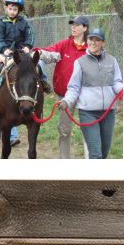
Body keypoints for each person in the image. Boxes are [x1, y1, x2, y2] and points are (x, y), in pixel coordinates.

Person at [58, 27, 123, 159]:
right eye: (91, 39)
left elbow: (116, 82)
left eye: (97, 40)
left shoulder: (112, 61)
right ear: (87, 40)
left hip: (108, 113)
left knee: (104, 153)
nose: (93, 43)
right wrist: (66, 101)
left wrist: (122, 89)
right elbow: (74, 88)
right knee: (95, 153)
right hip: (88, 113)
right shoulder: (80, 63)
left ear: (103, 43)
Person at [33, 15, 90, 159]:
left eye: (77, 25)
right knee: (64, 130)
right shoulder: (64, 45)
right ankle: (64, 162)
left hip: (87, 96)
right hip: (65, 95)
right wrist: (39, 53)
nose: (74, 27)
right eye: (73, 24)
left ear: (85, 28)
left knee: (89, 130)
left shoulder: (91, 47)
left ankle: (92, 161)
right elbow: (49, 53)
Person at [0, 0, 52, 101]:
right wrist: (4, 49)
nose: (12, 11)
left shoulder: (24, 23)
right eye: (10, 9)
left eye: (15, 9)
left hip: (21, 53)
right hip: (6, 53)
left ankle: (44, 82)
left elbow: (30, 35)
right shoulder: (2, 23)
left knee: (40, 63)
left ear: (19, 10)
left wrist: (28, 46)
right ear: (6, 8)